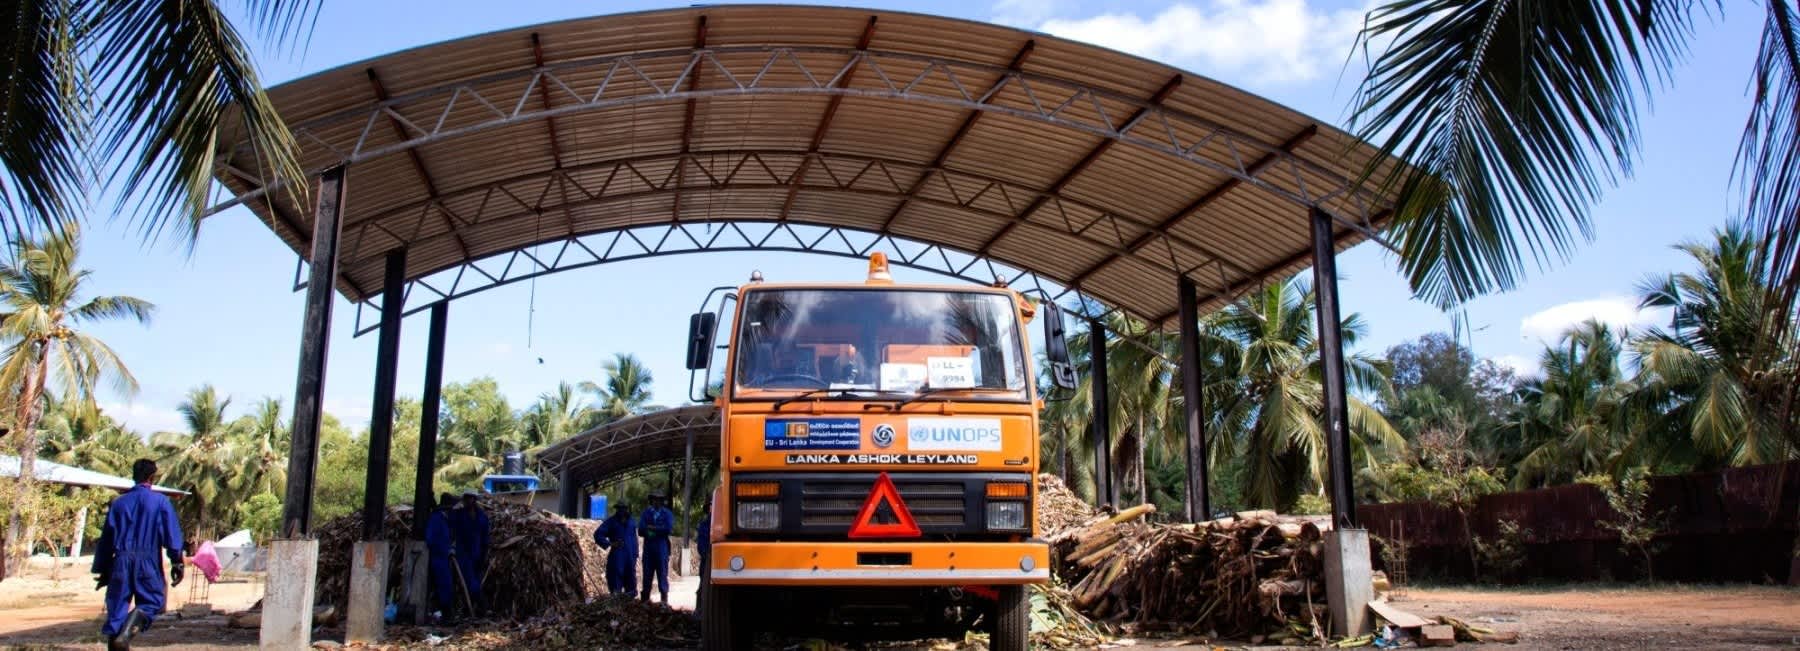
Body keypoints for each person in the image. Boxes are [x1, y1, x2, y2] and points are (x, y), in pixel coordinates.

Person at [92, 459, 184, 651]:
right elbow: (171, 535)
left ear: (133, 476)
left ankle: (118, 639)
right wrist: (177, 562)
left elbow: (107, 539)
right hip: (147, 560)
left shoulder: (118, 503)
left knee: (116, 610)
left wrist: (102, 569)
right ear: (152, 477)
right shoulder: (160, 502)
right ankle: (125, 636)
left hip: (120, 561)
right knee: (152, 601)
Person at [450, 492, 491, 617]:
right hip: (464, 554)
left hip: (477, 553)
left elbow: (485, 536)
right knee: (470, 582)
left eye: (470, 498)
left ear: (474, 500)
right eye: (466, 499)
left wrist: (484, 553)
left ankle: (472, 609)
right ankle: (481, 605)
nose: (468, 501)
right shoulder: (459, 515)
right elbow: (451, 528)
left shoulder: (482, 516)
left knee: (475, 581)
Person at [637, 492, 675, 604]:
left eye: (659, 499)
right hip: (649, 549)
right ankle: (645, 600)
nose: (657, 502)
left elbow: (668, 529)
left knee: (662, 575)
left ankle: (664, 601)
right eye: (655, 499)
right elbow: (641, 530)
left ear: (662, 501)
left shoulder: (667, 514)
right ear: (652, 500)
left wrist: (652, 528)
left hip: (662, 548)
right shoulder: (646, 513)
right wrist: (656, 531)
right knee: (647, 575)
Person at [425, 493, 457, 621]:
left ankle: (446, 613)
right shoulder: (436, 519)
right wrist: (444, 549)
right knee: (443, 585)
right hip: (438, 558)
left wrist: (451, 548)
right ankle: (445, 614)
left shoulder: (445, 520)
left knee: (447, 585)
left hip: (444, 558)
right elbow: (430, 539)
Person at [594, 502, 637, 598]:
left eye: (624, 508)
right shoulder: (611, 522)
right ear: (617, 510)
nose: (622, 511)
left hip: (630, 557)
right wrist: (609, 543)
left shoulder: (631, 522)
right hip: (617, 555)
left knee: (631, 584)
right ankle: (616, 603)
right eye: (619, 508)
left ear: (627, 509)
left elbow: (634, 540)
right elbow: (598, 534)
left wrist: (635, 555)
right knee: (616, 581)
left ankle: (630, 605)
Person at [694, 497, 713, 613]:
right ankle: (699, 609)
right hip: (707, 560)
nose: (711, 509)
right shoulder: (703, 525)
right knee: (703, 586)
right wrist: (706, 555)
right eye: (710, 507)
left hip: (719, 560)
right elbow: (701, 544)